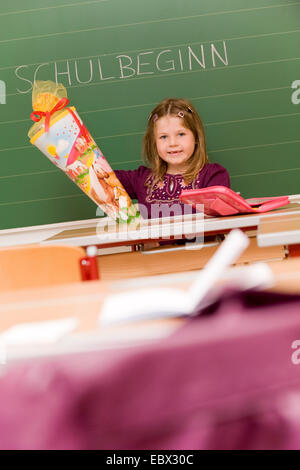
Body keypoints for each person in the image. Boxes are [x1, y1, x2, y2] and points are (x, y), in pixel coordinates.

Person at [114, 97, 230, 221]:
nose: (173, 143)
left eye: (181, 134)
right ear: (154, 142)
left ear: (196, 137)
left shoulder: (213, 176)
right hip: (152, 241)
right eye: (163, 137)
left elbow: (216, 219)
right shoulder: (141, 179)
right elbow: (98, 176)